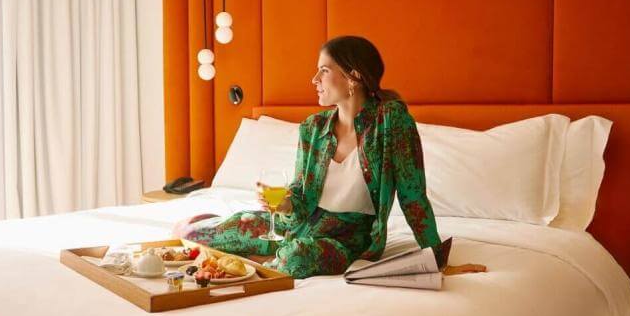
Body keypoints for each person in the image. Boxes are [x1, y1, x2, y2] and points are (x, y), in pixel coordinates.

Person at [173, 35, 446, 278]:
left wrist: (436, 258)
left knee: (298, 257)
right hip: (298, 226)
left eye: (324, 71)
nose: (314, 80)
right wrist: (285, 205)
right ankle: (255, 251)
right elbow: (301, 194)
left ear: (354, 76)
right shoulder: (314, 128)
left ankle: (265, 261)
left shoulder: (392, 123)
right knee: (195, 235)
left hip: (347, 240)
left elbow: (414, 197)